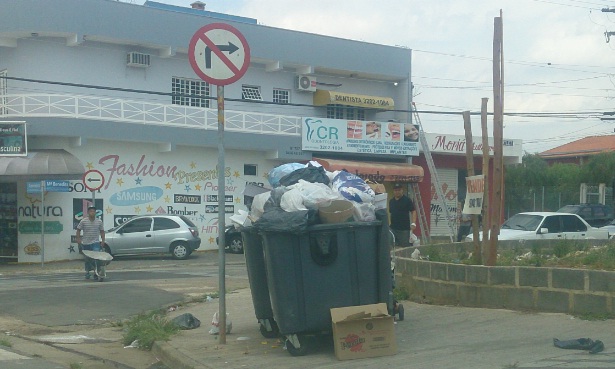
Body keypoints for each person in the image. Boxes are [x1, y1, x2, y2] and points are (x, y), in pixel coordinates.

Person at [76, 206, 105, 280]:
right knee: (87, 259)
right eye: (91, 211)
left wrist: (103, 240)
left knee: (96, 258)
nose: (92, 212)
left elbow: (102, 231)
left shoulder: (99, 222)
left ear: (96, 213)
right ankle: (87, 272)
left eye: (94, 211)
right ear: (88, 213)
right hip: (86, 243)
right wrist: (78, 239)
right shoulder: (83, 221)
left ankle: (96, 272)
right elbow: (78, 230)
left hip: (95, 242)